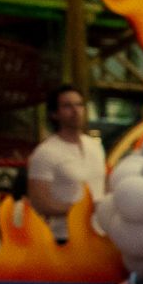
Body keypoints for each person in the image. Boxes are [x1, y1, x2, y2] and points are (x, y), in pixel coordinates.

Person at [27, 85, 108, 244]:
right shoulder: (45, 153)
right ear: (54, 114)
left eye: (79, 105)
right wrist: (82, 209)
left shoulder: (95, 146)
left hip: (101, 232)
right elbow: (40, 203)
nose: (75, 111)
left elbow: (102, 185)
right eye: (67, 106)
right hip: (64, 236)